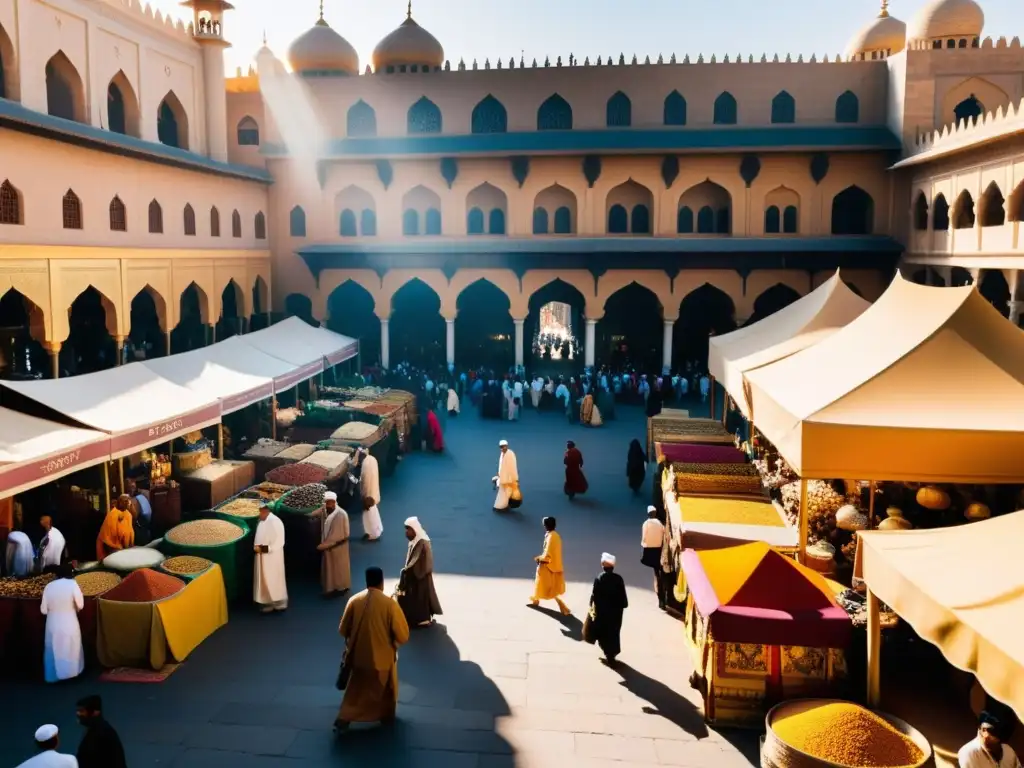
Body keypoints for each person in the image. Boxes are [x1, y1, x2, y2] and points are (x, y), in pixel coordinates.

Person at [335, 566, 411, 731]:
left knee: (355, 692)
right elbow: (403, 635)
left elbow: (343, 629)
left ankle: (345, 717)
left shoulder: (354, 601)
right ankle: (385, 715)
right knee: (385, 691)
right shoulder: (390, 605)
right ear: (382, 582)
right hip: (383, 660)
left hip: (358, 659)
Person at [40, 562, 84, 683]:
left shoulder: (49, 586)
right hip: (69, 621)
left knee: (53, 649)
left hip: (52, 623)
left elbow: (43, 610)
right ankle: (70, 674)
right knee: (70, 648)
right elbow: (80, 604)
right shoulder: (73, 584)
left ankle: (53, 676)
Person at [398, 517, 442, 627]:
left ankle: (423, 620)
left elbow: (421, 561)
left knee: (421, 598)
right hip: (415, 576)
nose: (406, 532)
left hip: (421, 576)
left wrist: (409, 571)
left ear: (415, 529)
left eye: (408, 529)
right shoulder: (414, 541)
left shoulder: (423, 543)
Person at [589, 553, 628, 663]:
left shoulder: (600, 578)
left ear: (603, 566)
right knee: (614, 632)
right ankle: (613, 654)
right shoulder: (618, 578)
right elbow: (623, 597)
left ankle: (608, 654)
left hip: (603, 612)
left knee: (604, 633)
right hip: (616, 613)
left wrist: (591, 606)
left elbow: (594, 595)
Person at [312, 492, 350, 597]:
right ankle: (331, 587)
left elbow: (337, 535)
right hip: (328, 544)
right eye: (326, 503)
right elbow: (316, 512)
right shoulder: (325, 510)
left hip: (337, 546)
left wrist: (323, 545)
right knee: (330, 568)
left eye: (330, 503)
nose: (328, 505)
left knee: (338, 568)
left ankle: (340, 588)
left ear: (334, 503)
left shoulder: (340, 515)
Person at [530, 516, 570, 615]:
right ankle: (535, 599)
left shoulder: (551, 537)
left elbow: (548, 553)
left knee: (547, 586)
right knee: (543, 584)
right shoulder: (554, 535)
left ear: (546, 526)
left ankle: (561, 605)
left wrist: (540, 559)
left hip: (548, 566)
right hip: (553, 565)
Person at [253, 505, 287, 613]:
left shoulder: (275, 521)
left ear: (266, 511)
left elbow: (280, 541)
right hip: (262, 556)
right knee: (264, 579)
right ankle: (267, 602)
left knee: (273, 579)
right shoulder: (262, 521)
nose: (258, 515)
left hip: (272, 557)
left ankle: (279, 602)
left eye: (260, 512)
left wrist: (265, 549)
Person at [75, 696, 126, 768]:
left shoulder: (102, 733)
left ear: (95, 712)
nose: (78, 714)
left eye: (82, 711)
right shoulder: (97, 730)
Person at [641, 506, 668, 609]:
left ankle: (661, 597)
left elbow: (644, 538)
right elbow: (664, 535)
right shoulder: (660, 524)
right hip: (659, 549)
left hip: (650, 550)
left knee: (656, 573)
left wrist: (645, 544)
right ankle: (662, 597)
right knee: (659, 572)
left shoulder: (646, 524)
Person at [95, 496, 134, 561]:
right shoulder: (112, 515)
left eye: (128, 502)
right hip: (109, 549)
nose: (128, 504)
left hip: (121, 548)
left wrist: (129, 547)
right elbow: (108, 541)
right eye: (125, 501)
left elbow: (129, 532)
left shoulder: (128, 515)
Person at [492, 439, 520, 512]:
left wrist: (514, 478)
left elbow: (513, 467)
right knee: (504, 491)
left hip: (509, 478)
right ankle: (502, 505)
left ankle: (502, 506)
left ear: (507, 446)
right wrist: (499, 473)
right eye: (501, 447)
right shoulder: (502, 454)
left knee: (506, 492)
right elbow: (501, 465)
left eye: (504, 446)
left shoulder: (510, 454)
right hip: (503, 477)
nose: (502, 448)